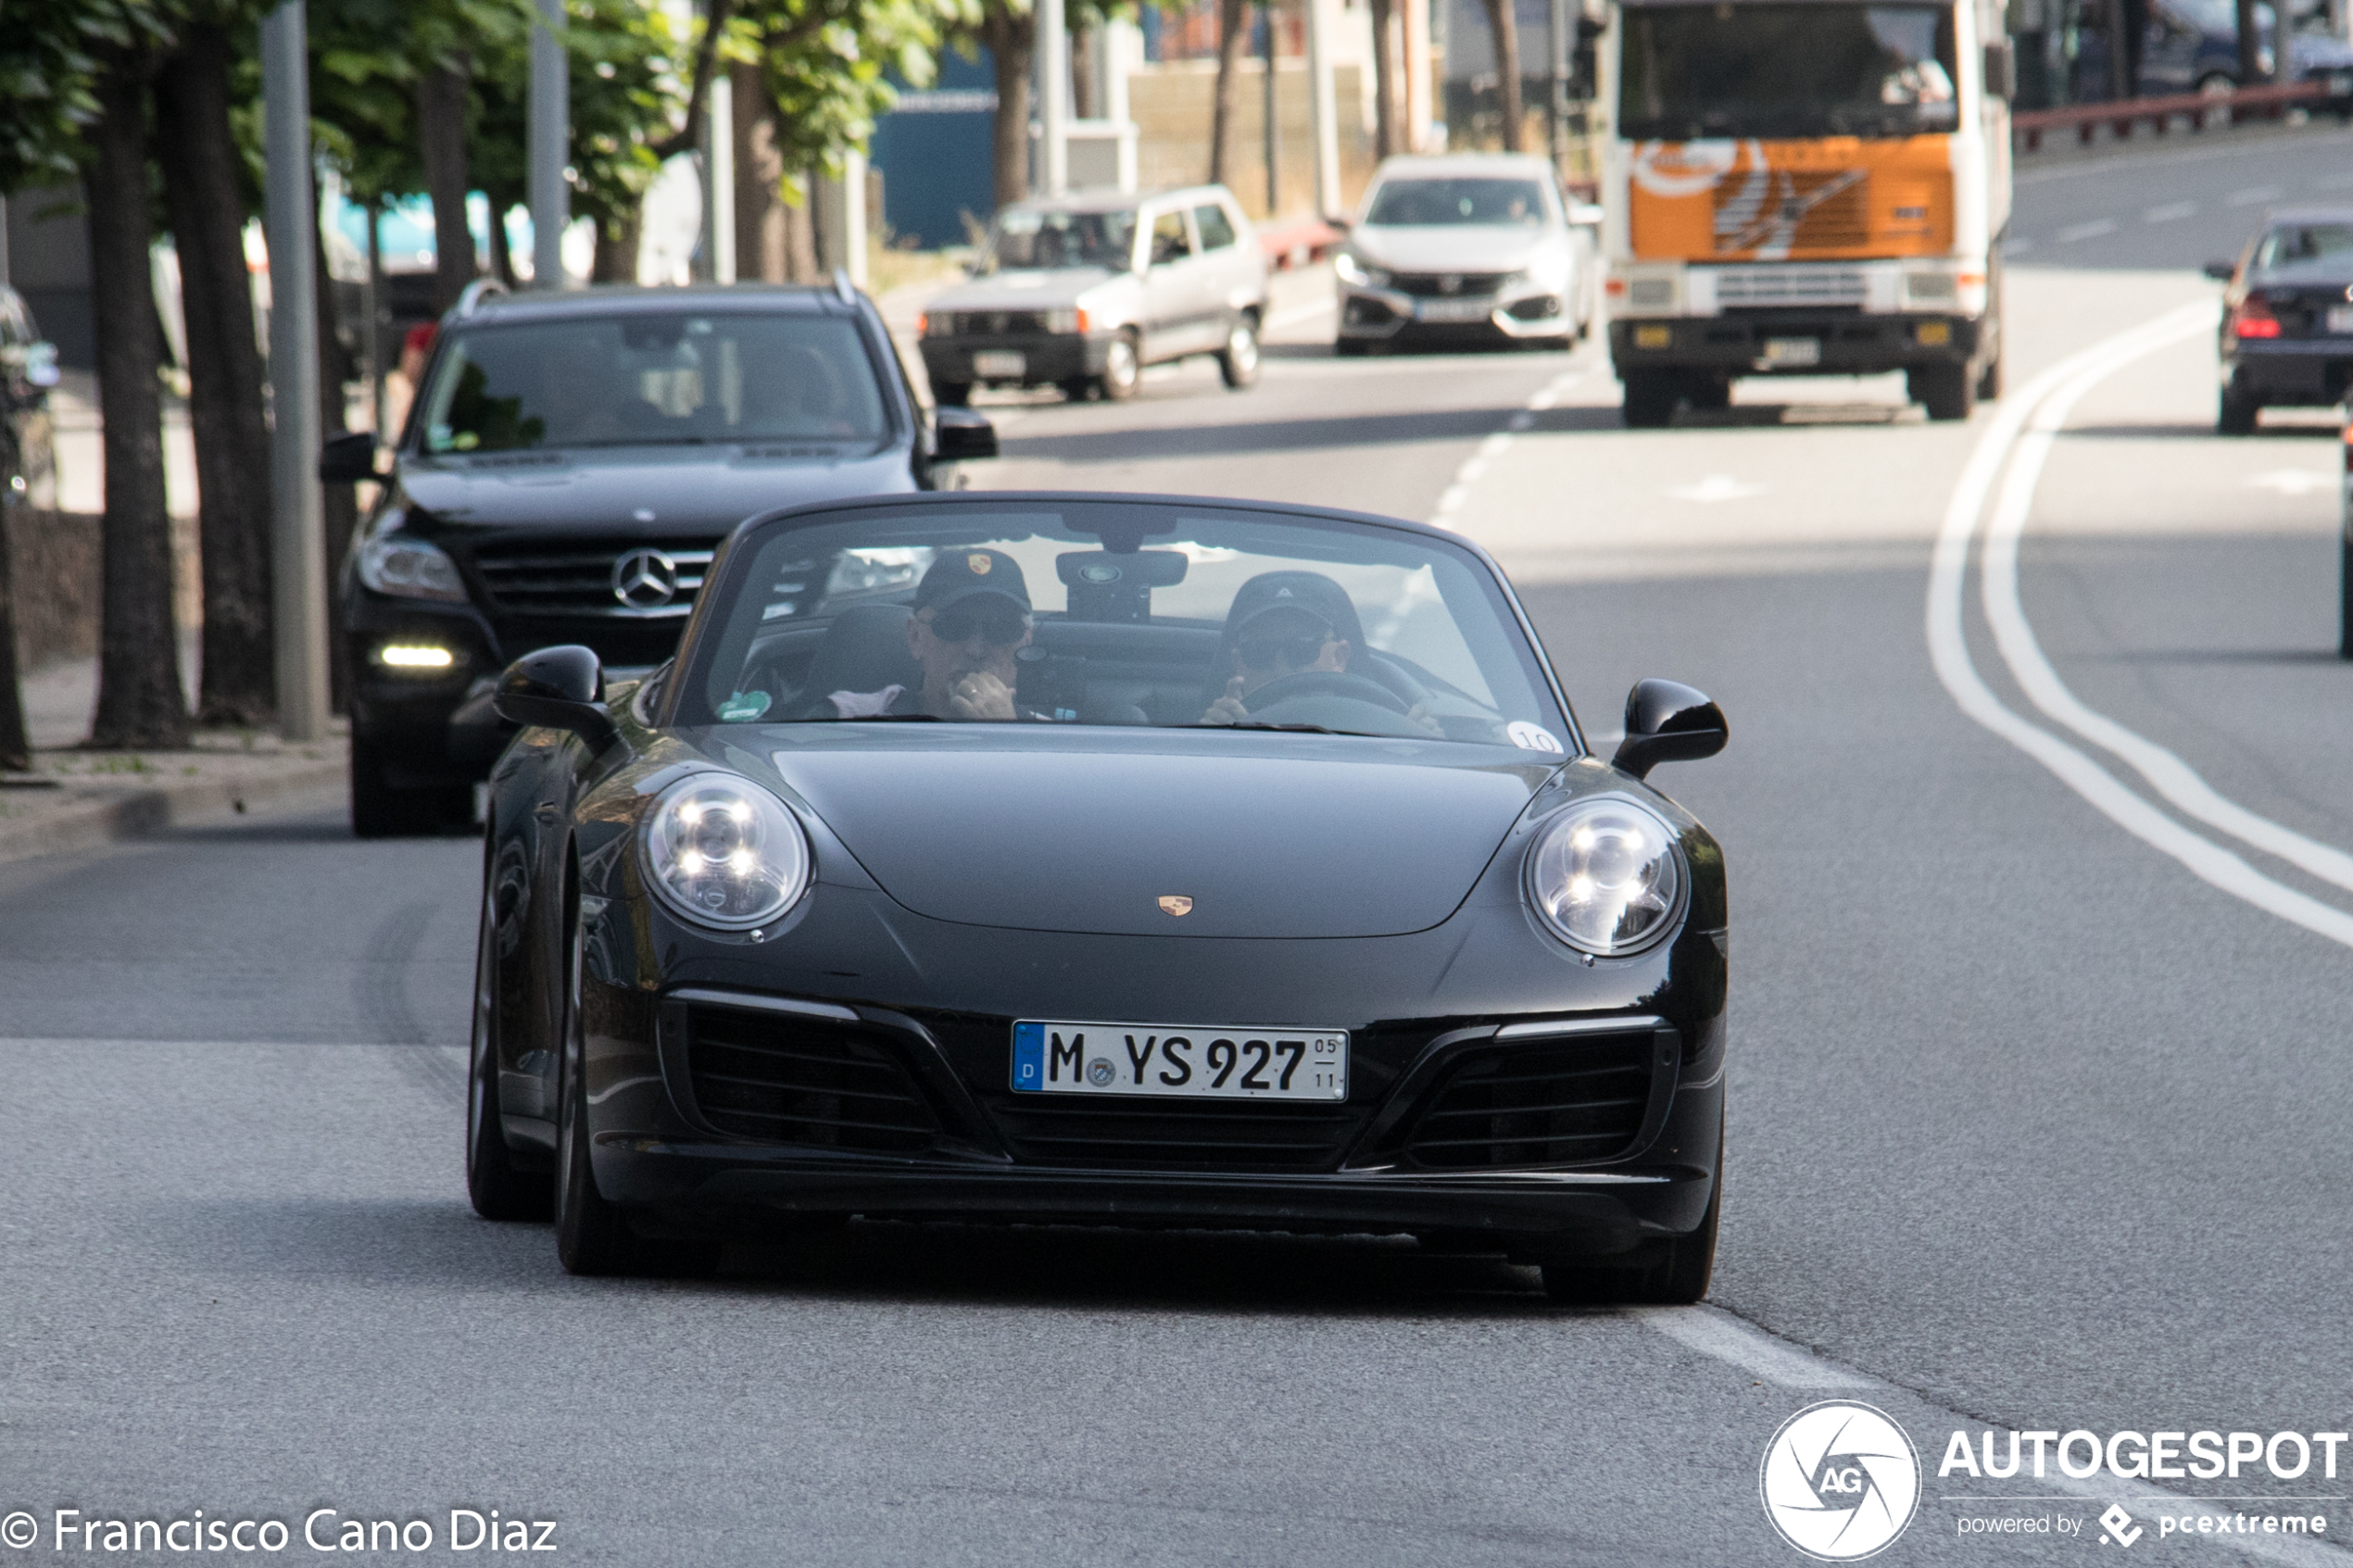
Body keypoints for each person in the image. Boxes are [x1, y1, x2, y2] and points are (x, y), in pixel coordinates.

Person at [825, 548, 1051, 721]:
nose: (976, 650)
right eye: (953, 627)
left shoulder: (1053, 744)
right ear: (915, 637)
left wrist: (1004, 732)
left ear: (1025, 643)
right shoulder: (849, 718)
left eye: (1002, 629)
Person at [1198, 571, 1368, 724]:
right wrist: (1219, 740)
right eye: (1259, 651)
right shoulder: (1220, 740)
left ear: (1339, 657)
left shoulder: (1372, 732)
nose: (1281, 668)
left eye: (1301, 648)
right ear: (1238, 664)